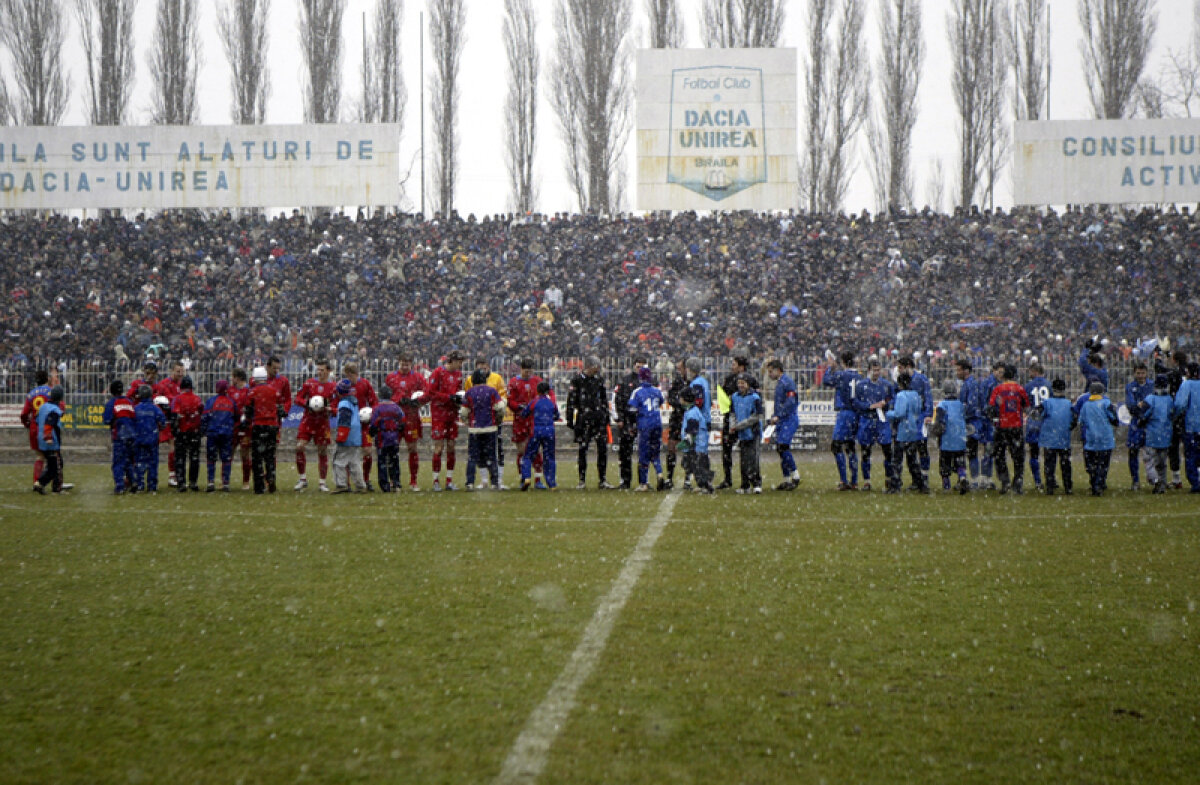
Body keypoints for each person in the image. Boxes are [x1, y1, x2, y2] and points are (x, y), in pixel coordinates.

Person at [566, 356, 612, 489]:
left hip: (598, 418)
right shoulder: (577, 380)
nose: (597, 370)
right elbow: (571, 400)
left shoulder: (599, 380)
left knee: (602, 449)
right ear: (589, 366)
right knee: (583, 449)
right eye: (596, 367)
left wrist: (606, 416)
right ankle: (582, 480)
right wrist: (570, 419)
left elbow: (603, 400)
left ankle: (602, 479)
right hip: (584, 418)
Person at [294, 358, 338, 492]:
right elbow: (297, 398)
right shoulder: (309, 383)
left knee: (322, 451)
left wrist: (331, 410)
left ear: (329, 371)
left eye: (322, 370)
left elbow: (336, 407)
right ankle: (302, 479)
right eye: (317, 369)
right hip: (308, 420)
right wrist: (307, 404)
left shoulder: (333, 387)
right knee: (299, 447)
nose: (319, 372)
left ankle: (322, 482)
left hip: (322, 423)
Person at [386, 353, 428, 491]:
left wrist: (417, 402)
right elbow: (385, 395)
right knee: (393, 449)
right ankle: (394, 480)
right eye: (403, 362)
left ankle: (413, 481)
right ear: (399, 362)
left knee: (412, 448)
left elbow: (427, 393)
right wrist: (397, 400)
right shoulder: (391, 377)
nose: (405, 365)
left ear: (411, 364)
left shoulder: (417, 377)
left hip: (411, 418)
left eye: (407, 363)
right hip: (394, 418)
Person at [464, 357, 509, 485]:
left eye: (484, 365)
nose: (482, 368)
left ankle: (494, 480)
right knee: (485, 453)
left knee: (495, 451)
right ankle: (487, 480)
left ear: (489, 366)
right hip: (488, 424)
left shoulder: (497, 378)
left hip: (486, 423)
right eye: (480, 366)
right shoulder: (469, 381)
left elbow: (503, 397)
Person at [988, 364, 1030, 494]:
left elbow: (991, 406)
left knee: (1000, 455)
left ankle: (1004, 482)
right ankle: (1017, 484)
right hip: (1016, 426)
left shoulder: (998, 389)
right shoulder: (1020, 389)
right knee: (1018, 457)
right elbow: (1026, 405)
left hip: (1002, 426)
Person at [823, 351, 862, 491]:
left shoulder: (841, 375)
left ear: (843, 362)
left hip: (845, 413)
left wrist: (830, 367)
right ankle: (855, 480)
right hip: (856, 413)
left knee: (836, 446)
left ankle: (844, 480)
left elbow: (826, 380)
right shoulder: (859, 376)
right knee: (850, 447)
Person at [243, 365, 285, 494]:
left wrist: (246, 422)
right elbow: (280, 409)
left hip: (259, 425)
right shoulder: (274, 390)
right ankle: (271, 478)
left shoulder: (253, 392)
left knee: (257, 457)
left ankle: (259, 486)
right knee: (270, 455)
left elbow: (248, 410)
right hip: (272, 425)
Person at [854, 359, 894, 492]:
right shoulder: (861, 385)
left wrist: (885, 403)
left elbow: (892, 399)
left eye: (878, 370)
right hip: (867, 421)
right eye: (874, 370)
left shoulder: (886, 385)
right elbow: (856, 403)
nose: (877, 373)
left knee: (887, 451)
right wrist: (869, 406)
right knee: (865, 452)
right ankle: (867, 481)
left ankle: (889, 479)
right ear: (869, 370)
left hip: (882, 421)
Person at [507, 358, 548, 489]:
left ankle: (537, 480)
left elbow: (544, 396)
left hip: (534, 420)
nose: (528, 373)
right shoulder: (513, 382)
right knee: (521, 450)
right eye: (526, 371)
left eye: (530, 371)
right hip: (520, 420)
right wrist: (519, 407)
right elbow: (510, 401)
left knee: (536, 450)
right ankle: (523, 478)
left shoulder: (537, 381)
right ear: (521, 369)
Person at [717, 356, 756, 489]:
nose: (731, 366)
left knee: (746, 452)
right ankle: (728, 479)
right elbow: (724, 396)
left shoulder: (750, 380)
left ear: (741, 367)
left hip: (744, 420)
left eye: (734, 364)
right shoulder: (728, 379)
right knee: (726, 449)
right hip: (730, 418)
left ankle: (747, 480)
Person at [427, 351, 464, 491]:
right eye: (459, 362)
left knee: (451, 447)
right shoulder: (437, 372)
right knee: (439, 448)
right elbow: (431, 392)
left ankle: (449, 480)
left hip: (452, 415)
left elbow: (459, 392)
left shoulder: (458, 375)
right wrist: (449, 397)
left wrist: (458, 399)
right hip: (439, 415)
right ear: (452, 361)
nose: (460, 365)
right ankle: (435, 480)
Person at [958, 359, 997, 489]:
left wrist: (962, 415)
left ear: (966, 371)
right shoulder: (970, 383)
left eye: (958, 370)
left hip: (974, 421)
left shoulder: (970, 384)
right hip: (979, 420)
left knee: (973, 451)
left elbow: (971, 405)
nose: (957, 372)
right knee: (984, 450)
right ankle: (985, 479)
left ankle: (978, 480)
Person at [613, 356, 649, 490]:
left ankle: (643, 481)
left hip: (643, 421)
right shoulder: (625, 381)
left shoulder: (650, 382)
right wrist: (620, 419)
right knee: (625, 452)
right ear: (634, 366)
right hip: (628, 421)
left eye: (643, 367)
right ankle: (625, 481)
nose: (640, 369)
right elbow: (617, 400)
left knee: (644, 452)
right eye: (638, 366)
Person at [1035, 378, 1077, 495]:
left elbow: (1037, 413)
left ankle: (1050, 487)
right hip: (1064, 438)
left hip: (1049, 439)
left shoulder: (1047, 403)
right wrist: (1068, 428)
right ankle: (1068, 487)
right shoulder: (1069, 404)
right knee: (1066, 464)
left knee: (1049, 464)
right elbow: (1074, 419)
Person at [887, 373, 927, 493]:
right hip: (913, 429)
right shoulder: (916, 395)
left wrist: (889, 413)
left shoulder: (901, 396)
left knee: (897, 459)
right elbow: (919, 409)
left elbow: (899, 413)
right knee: (912, 459)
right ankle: (920, 483)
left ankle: (895, 484)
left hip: (903, 430)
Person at [341, 362, 379, 491]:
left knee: (368, 451)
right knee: (348, 453)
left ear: (356, 374)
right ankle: (347, 483)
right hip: (349, 424)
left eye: (350, 376)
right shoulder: (343, 385)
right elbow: (337, 401)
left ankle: (365, 480)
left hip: (363, 424)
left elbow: (374, 402)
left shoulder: (365, 384)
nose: (349, 379)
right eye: (347, 376)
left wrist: (370, 413)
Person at [628, 366, 666, 491]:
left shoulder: (637, 391)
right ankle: (659, 473)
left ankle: (644, 483)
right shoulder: (657, 390)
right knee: (655, 453)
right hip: (657, 423)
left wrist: (633, 425)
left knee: (643, 453)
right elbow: (660, 402)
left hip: (645, 424)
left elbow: (632, 410)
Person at [897, 355, 933, 485]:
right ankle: (916, 479)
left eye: (900, 367)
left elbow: (928, 397)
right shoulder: (903, 381)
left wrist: (928, 414)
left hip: (921, 418)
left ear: (907, 367)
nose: (898, 370)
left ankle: (925, 476)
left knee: (922, 447)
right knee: (910, 450)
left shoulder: (921, 379)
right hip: (909, 420)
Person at [1079, 381, 1119, 496]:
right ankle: (1099, 485)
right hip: (1105, 439)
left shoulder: (1086, 405)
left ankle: (1093, 483)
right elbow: (1114, 418)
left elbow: (1081, 421)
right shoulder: (1106, 403)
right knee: (1103, 464)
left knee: (1092, 464)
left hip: (1091, 439)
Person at [1155, 348, 1188, 488]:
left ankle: (1176, 478)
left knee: (1173, 447)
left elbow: (1160, 370)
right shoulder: (1189, 371)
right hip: (1191, 415)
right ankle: (1196, 474)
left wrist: (1158, 357)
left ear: (1174, 360)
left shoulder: (1174, 374)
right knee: (1192, 447)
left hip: (1177, 415)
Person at [929, 378, 968, 493]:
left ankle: (947, 485)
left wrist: (935, 432)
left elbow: (939, 422)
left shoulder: (942, 405)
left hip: (947, 439)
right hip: (960, 437)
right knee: (960, 461)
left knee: (945, 463)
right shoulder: (960, 404)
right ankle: (962, 477)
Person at [1135, 379, 1175, 494]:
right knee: (1162, 463)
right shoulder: (1169, 400)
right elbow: (1173, 414)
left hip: (1152, 435)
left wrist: (1140, 422)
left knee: (1149, 460)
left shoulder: (1150, 399)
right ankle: (1162, 485)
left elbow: (1144, 415)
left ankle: (1155, 480)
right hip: (1166, 435)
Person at [765, 359, 800, 490]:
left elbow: (791, 401)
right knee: (780, 449)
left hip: (789, 419)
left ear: (777, 370)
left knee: (783, 446)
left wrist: (779, 415)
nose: (769, 375)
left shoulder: (787, 381)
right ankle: (786, 479)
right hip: (782, 420)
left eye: (770, 371)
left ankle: (795, 476)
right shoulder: (781, 382)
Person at [520, 381, 560, 491]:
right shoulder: (551, 402)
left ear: (537, 391)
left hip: (536, 431)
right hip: (549, 431)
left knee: (528, 455)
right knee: (550, 457)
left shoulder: (534, 402)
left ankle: (527, 477)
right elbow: (557, 415)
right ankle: (552, 484)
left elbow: (524, 413)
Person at [202, 379, 240, 492]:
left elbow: (205, 417)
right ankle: (226, 483)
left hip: (213, 433)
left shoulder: (211, 401)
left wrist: (203, 430)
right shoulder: (231, 401)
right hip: (227, 434)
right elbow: (237, 416)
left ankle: (210, 482)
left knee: (211, 459)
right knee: (226, 459)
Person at [729, 374, 764, 494]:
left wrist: (741, 425)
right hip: (741, 433)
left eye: (743, 383)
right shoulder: (734, 397)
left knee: (753, 459)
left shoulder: (755, 397)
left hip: (753, 433)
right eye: (739, 383)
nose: (740, 385)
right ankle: (745, 485)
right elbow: (732, 413)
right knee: (743, 460)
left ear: (748, 384)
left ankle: (756, 483)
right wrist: (732, 425)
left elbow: (758, 416)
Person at [331, 378, 367, 493]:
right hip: (356, 436)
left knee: (338, 461)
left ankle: (341, 484)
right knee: (354, 462)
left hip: (347, 435)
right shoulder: (354, 401)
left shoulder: (344, 403)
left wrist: (341, 436)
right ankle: (360, 485)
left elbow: (344, 421)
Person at [20, 368, 54, 488]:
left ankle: (37, 481)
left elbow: (24, 414)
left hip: (35, 427)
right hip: (47, 426)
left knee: (39, 456)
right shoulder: (51, 392)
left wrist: (28, 424)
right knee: (53, 456)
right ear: (46, 379)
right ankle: (53, 482)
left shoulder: (31, 394)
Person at [102, 379, 137, 494]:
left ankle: (120, 486)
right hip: (132, 435)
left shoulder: (112, 403)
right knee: (129, 461)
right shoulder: (129, 401)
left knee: (118, 462)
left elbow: (107, 420)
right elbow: (134, 417)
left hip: (119, 436)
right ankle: (133, 482)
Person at [368, 387, 406, 492]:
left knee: (382, 462)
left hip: (382, 438)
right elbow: (403, 422)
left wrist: (371, 433)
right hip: (394, 438)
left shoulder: (377, 408)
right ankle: (396, 482)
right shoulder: (397, 408)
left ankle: (385, 485)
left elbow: (373, 424)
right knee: (394, 461)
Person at [170, 376, 204, 492]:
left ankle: (181, 482)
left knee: (180, 457)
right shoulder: (197, 399)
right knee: (194, 458)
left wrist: (175, 430)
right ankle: (193, 482)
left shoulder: (178, 399)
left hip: (182, 431)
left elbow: (175, 415)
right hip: (194, 431)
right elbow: (201, 412)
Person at [1123, 361, 1154, 491]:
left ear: (1146, 373)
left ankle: (1153, 478)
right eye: (1138, 373)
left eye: (1142, 373)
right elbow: (1131, 406)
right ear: (1134, 373)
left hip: (1150, 423)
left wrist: (1143, 409)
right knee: (1133, 452)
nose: (1140, 375)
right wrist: (1140, 410)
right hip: (1136, 424)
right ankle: (1135, 480)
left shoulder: (1152, 385)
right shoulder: (1130, 387)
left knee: (1152, 453)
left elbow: (1154, 404)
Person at [679, 387, 714, 494]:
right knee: (693, 464)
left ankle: (706, 485)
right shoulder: (691, 410)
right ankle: (702, 483)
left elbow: (692, 428)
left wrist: (687, 440)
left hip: (698, 444)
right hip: (698, 443)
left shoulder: (692, 413)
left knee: (699, 465)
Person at [155, 360, 185, 486]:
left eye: (182, 371)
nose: (180, 374)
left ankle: (172, 475)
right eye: (178, 371)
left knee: (174, 445)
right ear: (172, 371)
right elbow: (156, 400)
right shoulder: (164, 384)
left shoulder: (182, 384)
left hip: (175, 420)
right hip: (164, 420)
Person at [132, 384, 166, 493]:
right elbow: (163, 422)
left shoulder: (136, 409)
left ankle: (140, 484)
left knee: (139, 462)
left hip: (139, 439)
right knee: (152, 463)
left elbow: (131, 423)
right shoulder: (155, 409)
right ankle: (152, 486)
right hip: (152, 439)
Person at [32, 387, 65, 495]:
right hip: (51, 442)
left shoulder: (43, 407)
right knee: (55, 467)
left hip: (41, 441)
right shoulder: (54, 410)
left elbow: (36, 420)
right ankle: (43, 484)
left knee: (52, 465)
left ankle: (45, 484)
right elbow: (49, 423)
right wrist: (48, 436)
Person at [1023, 363, 1051, 490]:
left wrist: (1030, 413)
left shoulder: (1028, 386)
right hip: (1047, 421)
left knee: (1034, 453)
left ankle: (1038, 481)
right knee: (1049, 453)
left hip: (1034, 421)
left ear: (1034, 371)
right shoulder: (1049, 385)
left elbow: (1024, 404)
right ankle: (1050, 479)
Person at [1173, 362, 1200, 493]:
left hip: (1191, 426)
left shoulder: (1187, 385)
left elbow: (1180, 404)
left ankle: (1195, 483)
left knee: (1191, 456)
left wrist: (1175, 416)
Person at [664, 359, 689, 490]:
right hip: (677, 418)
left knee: (688, 448)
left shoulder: (693, 382)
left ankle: (688, 479)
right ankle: (669, 478)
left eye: (680, 368)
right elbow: (671, 398)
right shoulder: (678, 381)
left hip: (688, 418)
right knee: (671, 448)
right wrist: (681, 404)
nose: (678, 370)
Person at [228, 368, 254, 490]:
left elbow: (251, 408)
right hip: (233, 426)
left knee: (245, 454)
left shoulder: (248, 390)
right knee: (229, 453)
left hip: (245, 426)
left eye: (232, 377)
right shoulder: (230, 390)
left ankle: (246, 481)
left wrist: (246, 420)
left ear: (237, 378)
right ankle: (225, 481)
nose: (231, 379)